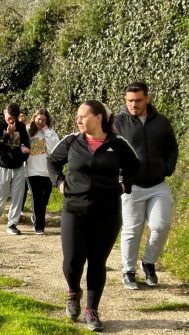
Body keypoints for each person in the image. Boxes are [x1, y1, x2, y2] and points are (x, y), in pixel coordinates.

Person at [47, 100, 139, 332]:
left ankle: (92, 310)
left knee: (97, 262)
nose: (78, 120)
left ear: (98, 117)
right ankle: (72, 292)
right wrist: (59, 183)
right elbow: (53, 162)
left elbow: (134, 167)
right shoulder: (71, 141)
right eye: (77, 116)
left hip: (106, 213)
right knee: (71, 261)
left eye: (83, 116)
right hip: (74, 210)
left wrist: (122, 186)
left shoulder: (117, 144)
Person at [114, 82, 179, 290]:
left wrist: (168, 168)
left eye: (138, 100)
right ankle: (128, 270)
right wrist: (119, 177)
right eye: (130, 101)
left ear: (147, 99)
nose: (134, 104)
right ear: (125, 100)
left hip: (158, 184)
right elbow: (110, 151)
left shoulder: (161, 121)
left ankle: (149, 263)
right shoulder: (117, 123)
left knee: (161, 225)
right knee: (132, 230)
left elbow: (172, 148)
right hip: (131, 186)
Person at [0, 103, 31, 235]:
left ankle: (12, 224)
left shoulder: (21, 126)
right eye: (9, 117)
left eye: (14, 118)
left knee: (17, 197)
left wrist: (25, 150)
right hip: (3, 165)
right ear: (4, 113)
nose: (11, 120)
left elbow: (26, 143)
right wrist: (7, 134)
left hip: (18, 166)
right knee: (2, 195)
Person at [25, 109, 60, 234]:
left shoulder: (50, 133)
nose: (41, 122)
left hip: (47, 172)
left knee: (44, 200)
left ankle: (36, 217)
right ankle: (39, 226)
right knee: (36, 198)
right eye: (39, 119)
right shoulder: (27, 130)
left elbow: (54, 150)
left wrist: (46, 132)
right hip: (32, 171)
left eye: (44, 120)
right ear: (34, 118)